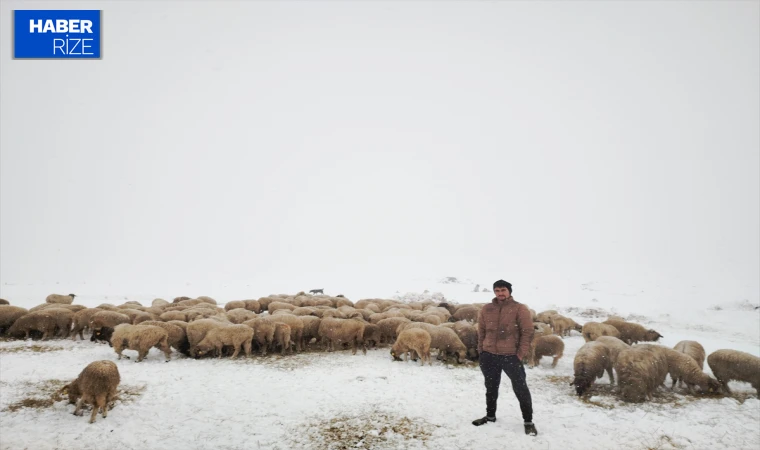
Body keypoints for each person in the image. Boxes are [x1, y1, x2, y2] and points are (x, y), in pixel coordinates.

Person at [472, 279, 537, 436]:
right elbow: (481, 331)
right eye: (497, 290)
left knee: (521, 388)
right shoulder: (487, 309)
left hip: (510, 356)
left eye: (503, 290)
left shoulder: (519, 308)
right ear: (494, 292)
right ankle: (490, 416)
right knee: (491, 387)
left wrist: (520, 354)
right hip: (489, 355)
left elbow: (527, 331)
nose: (500, 293)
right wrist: (481, 350)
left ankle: (528, 421)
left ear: (509, 291)